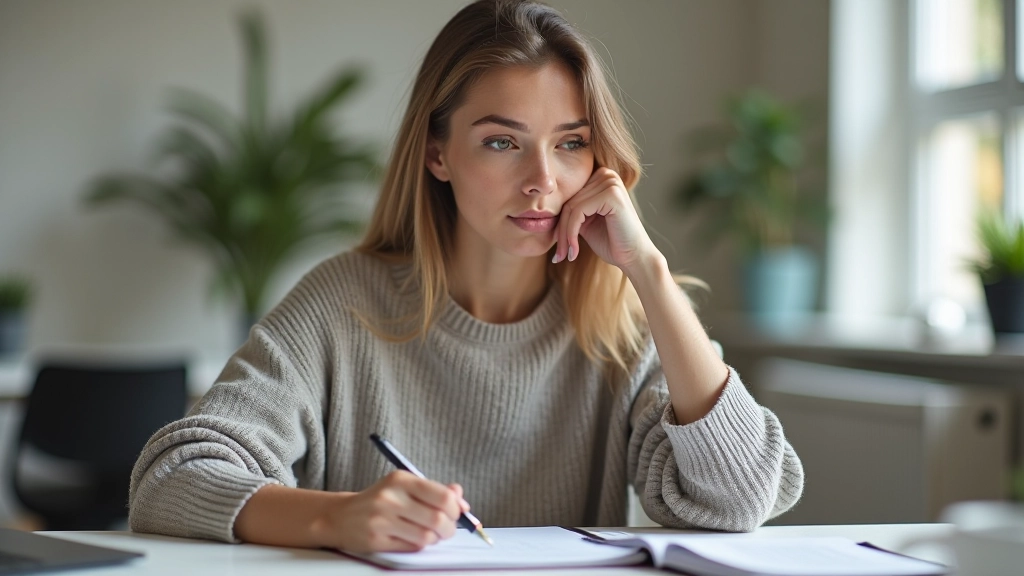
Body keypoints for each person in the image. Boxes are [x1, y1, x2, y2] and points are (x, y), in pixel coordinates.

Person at [129, 0, 804, 554]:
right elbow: (172, 478)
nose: (543, 181)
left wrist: (649, 274)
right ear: (438, 154)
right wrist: (334, 519)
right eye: (502, 141)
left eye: (570, 142)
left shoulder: (628, 316)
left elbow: (739, 499)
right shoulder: (342, 304)